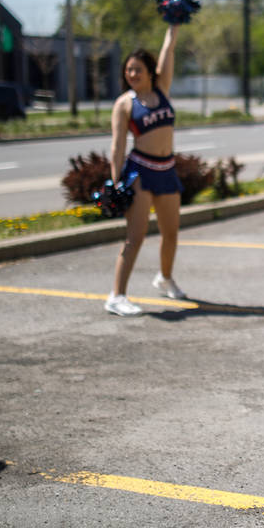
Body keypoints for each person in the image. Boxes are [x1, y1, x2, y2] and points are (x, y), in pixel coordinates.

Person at [104, 24, 186, 316]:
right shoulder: (124, 104)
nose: (132, 75)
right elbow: (117, 146)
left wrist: (173, 25)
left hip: (167, 169)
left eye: (138, 69)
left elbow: (169, 48)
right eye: (129, 70)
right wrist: (116, 183)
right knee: (135, 236)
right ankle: (117, 295)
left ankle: (164, 279)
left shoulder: (162, 90)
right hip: (140, 172)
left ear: (151, 71)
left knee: (171, 233)